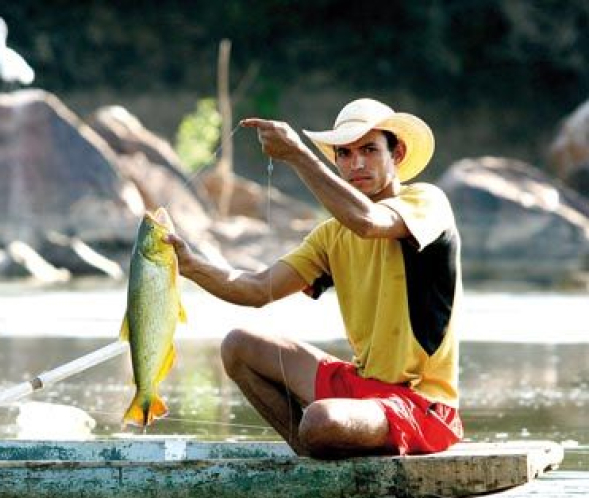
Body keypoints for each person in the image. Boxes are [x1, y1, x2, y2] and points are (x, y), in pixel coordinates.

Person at [167, 98, 463, 458]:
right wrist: (190, 265)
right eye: (344, 153)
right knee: (238, 346)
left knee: (321, 421)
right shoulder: (331, 235)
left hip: (423, 407)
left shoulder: (427, 202)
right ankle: (311, 456)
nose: (356, 164)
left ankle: (320, 440)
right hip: (362, 390)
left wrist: (296, 154)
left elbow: (368, 222)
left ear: (396, 154)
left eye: (369, 150)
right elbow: (258, 289)